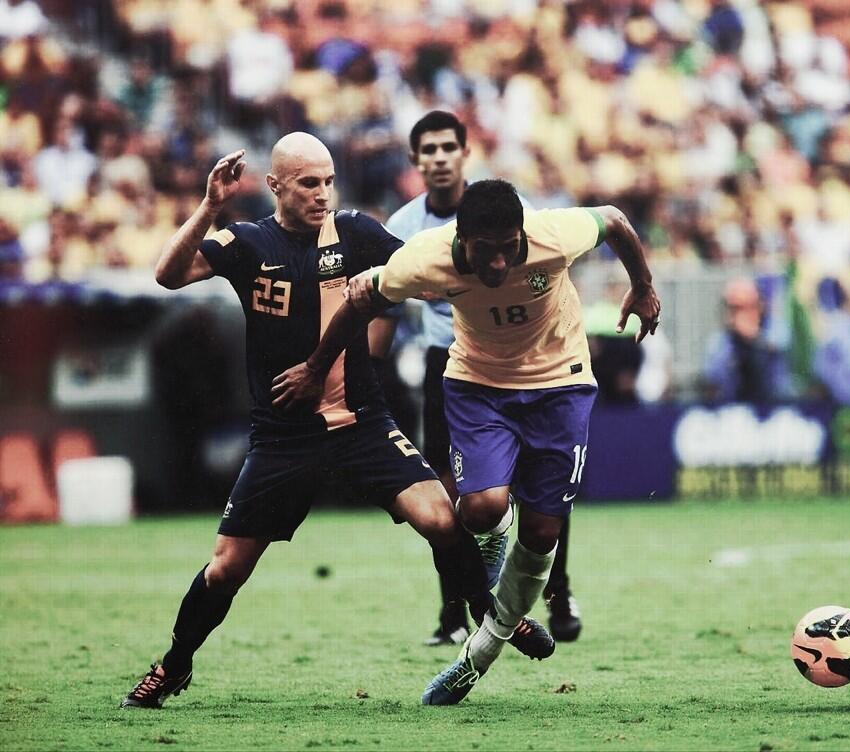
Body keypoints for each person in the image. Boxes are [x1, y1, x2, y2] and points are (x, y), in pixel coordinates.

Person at [120, 134, 549, 710]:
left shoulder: (357, 233)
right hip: (282, 435)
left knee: (441, 518)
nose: (322, 194)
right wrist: (209, 206)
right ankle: (174, 665)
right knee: (225, 571)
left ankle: (492, 615)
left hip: (363, 421)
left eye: (328, 181)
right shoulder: (247, 242)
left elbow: (426, 270)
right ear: (275, 186)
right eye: (307, 183)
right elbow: (169, 275)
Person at [270, 179, 661, 705]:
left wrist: (642, 285)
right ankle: (494, 534)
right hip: (479, 386)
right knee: (479, 508)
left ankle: (477, 656)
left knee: (544, 531)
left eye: (509, 248)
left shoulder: (552, 233)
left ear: (521, 233)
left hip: (559, 384)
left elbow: (614, 216)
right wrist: (317, 369)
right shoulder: (425, 257)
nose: (499, 264)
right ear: (462, 238)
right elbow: (359, 300)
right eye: (486, 251)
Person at [372, 110, 582, 647]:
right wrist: (366, 375)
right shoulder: (402, 229)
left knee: (543, 489)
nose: (440, 157)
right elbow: (381, 309)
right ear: (416, 161)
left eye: (449, 147)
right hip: (448, 363)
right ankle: (455, 608)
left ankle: (558, 596)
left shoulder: (517, 215)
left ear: (465, 154)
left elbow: (547, 277)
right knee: (451, 492)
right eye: (429, 149)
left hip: (523, 364)